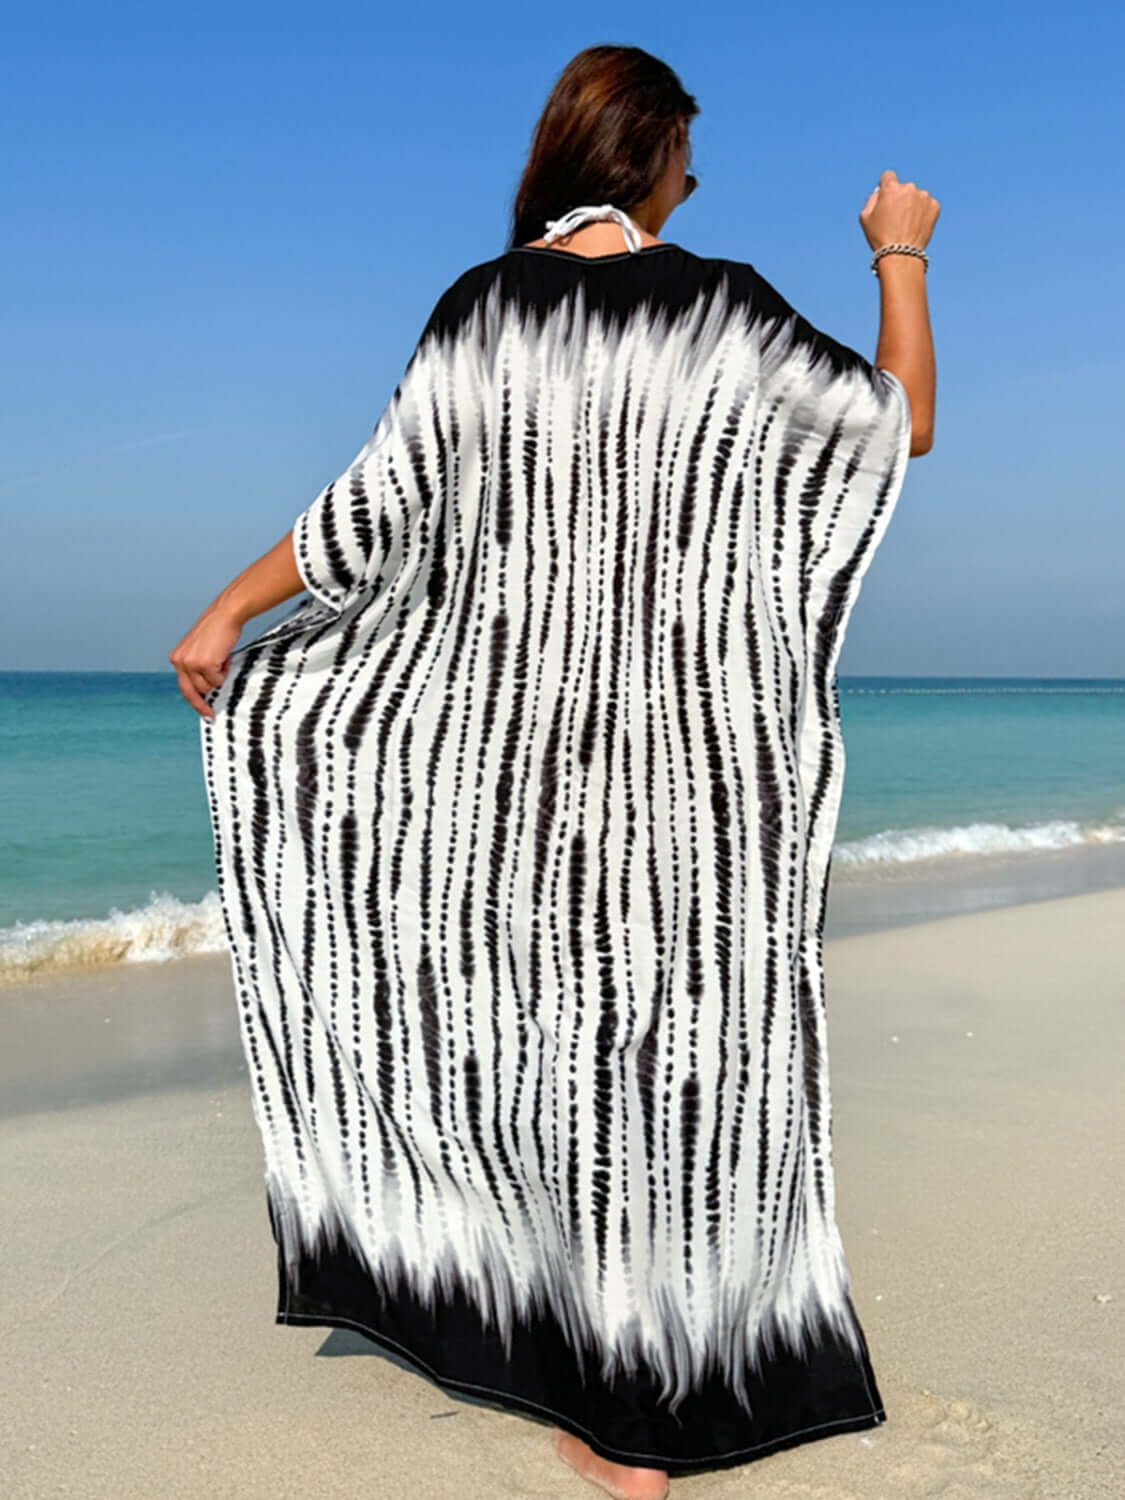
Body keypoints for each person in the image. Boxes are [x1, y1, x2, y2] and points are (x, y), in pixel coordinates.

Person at [171, 43, 937, 1500]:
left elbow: (363, 518)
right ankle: (665, 1394)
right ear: (646, 158)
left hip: (516, 798)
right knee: (677, 1071)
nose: (693, 183)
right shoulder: (722, 308)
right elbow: (897, 426)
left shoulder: (484, 313)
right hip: (698, 783)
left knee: (547, 1060)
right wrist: (898, 257)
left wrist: (228, 609)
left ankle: (594, 1400)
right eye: (686, 158)